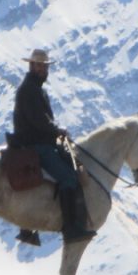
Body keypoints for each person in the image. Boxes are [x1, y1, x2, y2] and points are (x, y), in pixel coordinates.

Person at [13, 49, 96, 245]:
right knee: (69, 177)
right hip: (36, 145)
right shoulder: (30, 90)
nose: (43, 69)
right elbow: (39, 121)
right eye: (40, 66)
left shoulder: (35, 88)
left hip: (39, 141)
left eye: (45, 66)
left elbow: (41, 121)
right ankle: (71, 228)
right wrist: (57, 130)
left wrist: (55, 131)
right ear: (32, 66)